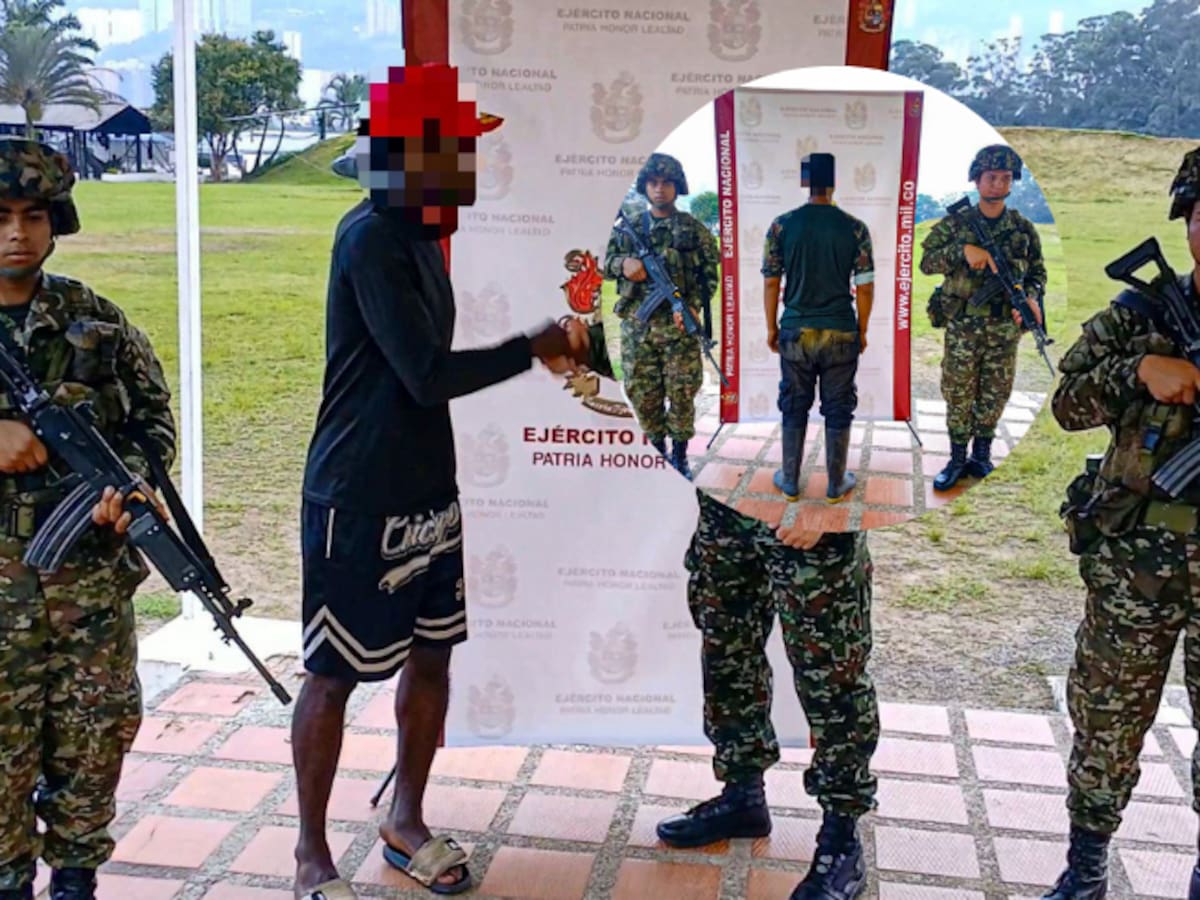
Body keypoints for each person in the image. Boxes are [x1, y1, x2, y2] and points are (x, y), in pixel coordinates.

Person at [293, 65, 578, 900]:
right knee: (333, 674)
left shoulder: (417, 233)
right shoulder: (371, 238)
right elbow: (422, 374)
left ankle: (404, 820)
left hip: (428, 492)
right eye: (455, 155)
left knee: (432, 656)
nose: (470, 172)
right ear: (404, 161)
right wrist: (537, 344)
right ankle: (311, 856)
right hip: (357, 494)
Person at [565, 317, 879, 900]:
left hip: (809, 516)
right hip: (728, 496)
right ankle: (742, 793)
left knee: (831, 676)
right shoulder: (718, 256)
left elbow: (880, 397)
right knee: (728, 650)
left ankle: (842, 835)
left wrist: (838, 505)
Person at [0, 139, 176, 900]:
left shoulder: (94, 321)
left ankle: (76, 876)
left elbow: (153, 422)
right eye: (0, 217)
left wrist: (128, 482)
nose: (16, 233)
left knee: (95, 734)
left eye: (33, 216)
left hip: (88, 587)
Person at [1048, 146, 1200, 900]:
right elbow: (1066, 404)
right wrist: (1136, 373)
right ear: (1186, 222)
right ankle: (1085, 867)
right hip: (1136, 562)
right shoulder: (1142, 314)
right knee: (1107, 716)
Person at [919, 144, 1046, 491]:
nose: (998, 184)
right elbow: (926, 263)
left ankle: (982, 455)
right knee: (959, 391)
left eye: (1006, 178)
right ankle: (957, 458)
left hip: (1004, 328)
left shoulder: (1022, 229)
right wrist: (962, 252)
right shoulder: (957, 224)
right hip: (964, 325)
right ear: (977, 180)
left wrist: (1032, 297)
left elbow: (1037, 272)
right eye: (991, 177)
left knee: (996, 392)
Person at [762, 152, 874, 503]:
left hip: (795, 330)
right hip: (841, 330)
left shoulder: (781, 225)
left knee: (793, 403)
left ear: (805, 182)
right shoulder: (855, 227)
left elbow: (770, 282)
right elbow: (866, 285)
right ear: (834, 181)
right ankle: (835, 485)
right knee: (838, 406)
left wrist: (772, 328)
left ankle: (791, 482)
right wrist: (862, 329)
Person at [603, 153, 719, 480]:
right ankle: (656, 453)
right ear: (644, 186)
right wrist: (622, 264)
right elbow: (602, 261)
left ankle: (680, 458)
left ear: (678, 187)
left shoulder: (694, 231)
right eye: (653, 182)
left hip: (679, 331)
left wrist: (692, 304)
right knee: (644, 395)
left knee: (682, 395)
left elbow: (709, 275)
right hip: (637, 329)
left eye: (667, 182)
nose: (659, 189)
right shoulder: (628, 229)